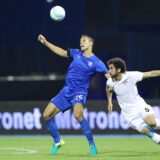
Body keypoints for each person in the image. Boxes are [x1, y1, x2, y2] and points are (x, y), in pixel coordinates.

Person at [38, 34, 110, 155]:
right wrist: (46, 42)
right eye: (80, 40)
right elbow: (61, 52)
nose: (81, 42)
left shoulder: (97, 62)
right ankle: (58, 141)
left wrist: (118, 84)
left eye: (84, 41)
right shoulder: (76, 53)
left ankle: (91, 144)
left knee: (77, 114)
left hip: (79, 92)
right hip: (66, 91)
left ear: (91, 43)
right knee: (46, 115)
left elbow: (109, 78)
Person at [106, 57, 160, 144]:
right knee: (146, 131)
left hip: (140, 106)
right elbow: (109, 89)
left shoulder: (131, 76)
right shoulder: (110, 82)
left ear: (119, 69)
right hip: (129, 114)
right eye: (109, 68)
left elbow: (150, 73)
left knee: (152, 123)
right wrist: (109, 101)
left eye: (111, 68)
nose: (109, 71)